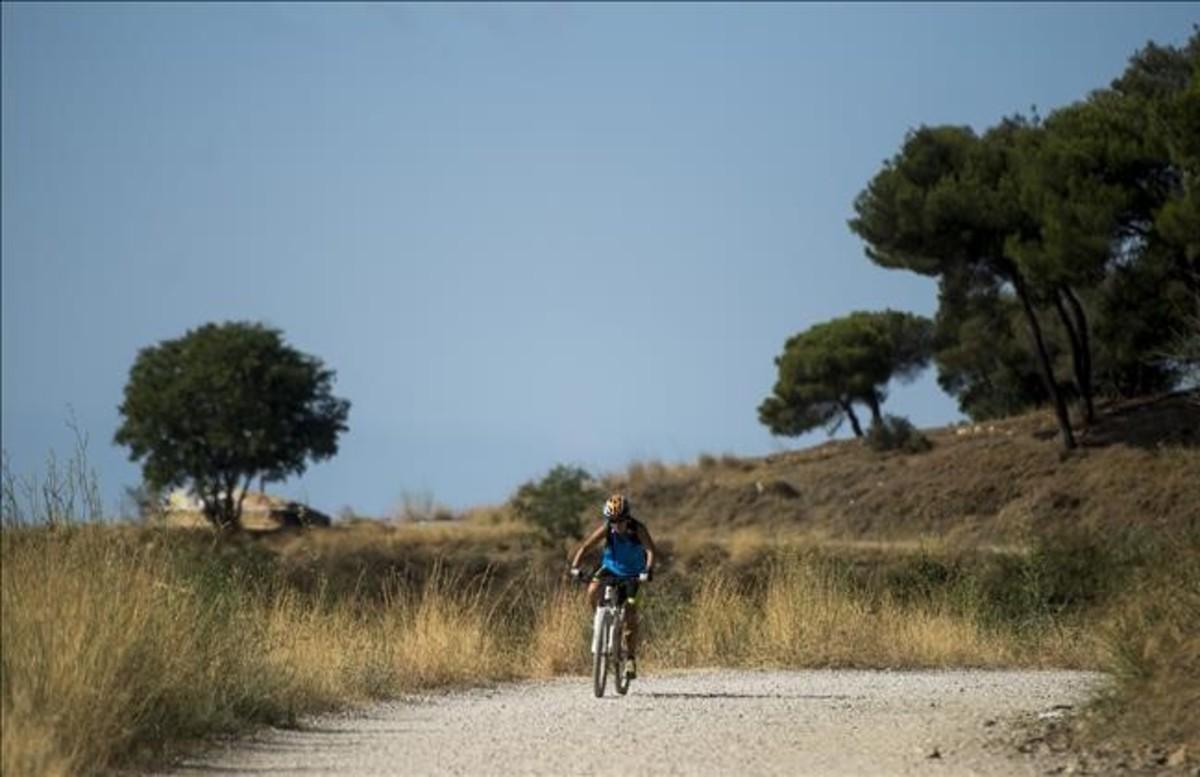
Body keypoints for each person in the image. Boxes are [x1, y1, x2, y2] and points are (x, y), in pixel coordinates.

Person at [570, 493, 657, 680]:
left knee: (631, 613)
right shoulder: (607, 529)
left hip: (634, 573)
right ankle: (599, 621)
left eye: (620, 520)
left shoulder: (638, 529)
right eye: (612, 520)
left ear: (627, 517)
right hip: (610, 569)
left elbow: (650, 550)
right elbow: (586, 546)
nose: (616, 524)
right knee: (592, 590)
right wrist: (575, 567)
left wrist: (647, 570)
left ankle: (630, 659)